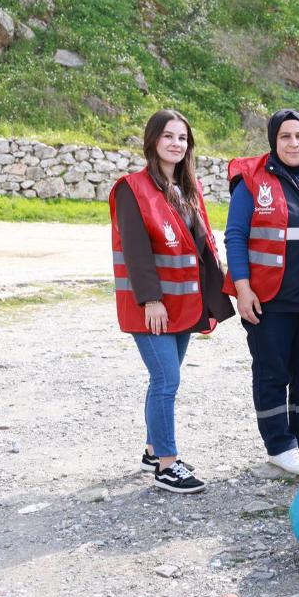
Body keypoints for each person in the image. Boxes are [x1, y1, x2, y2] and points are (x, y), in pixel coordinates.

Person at [109, 109, 235, 493]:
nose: (176, 143)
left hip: (183, 304)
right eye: (168, 136)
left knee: (163, 378)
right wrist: (150, 300)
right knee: (167, 379)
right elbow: (135, 250)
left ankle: (152, 450)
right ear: (153, 140)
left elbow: (201, 246)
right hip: (153, 307)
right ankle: (167, 464)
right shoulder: (132, 188)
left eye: (182, 138)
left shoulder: (186, 188)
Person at [224, 109, 299, 476]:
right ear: (273, 141)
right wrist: (242, 288)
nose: (294, 144)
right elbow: (236, 236)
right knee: (272, 371)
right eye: (285, 137)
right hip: (269, 299)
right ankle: (279, 445)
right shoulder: (252, 180)